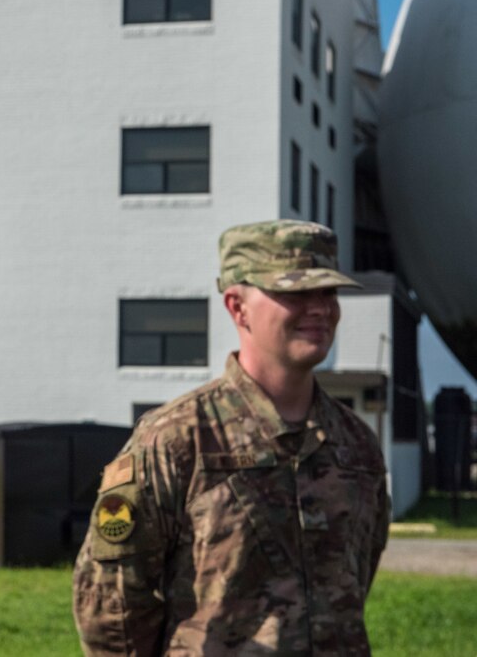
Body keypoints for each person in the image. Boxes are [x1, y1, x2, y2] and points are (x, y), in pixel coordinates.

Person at [73, 219, 390, 656]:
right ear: (238, 307)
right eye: (296, 293)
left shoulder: (357, 445)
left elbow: (356, 578)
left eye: (328, 292)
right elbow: (112, 603)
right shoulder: (175, 440)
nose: (320, 308)